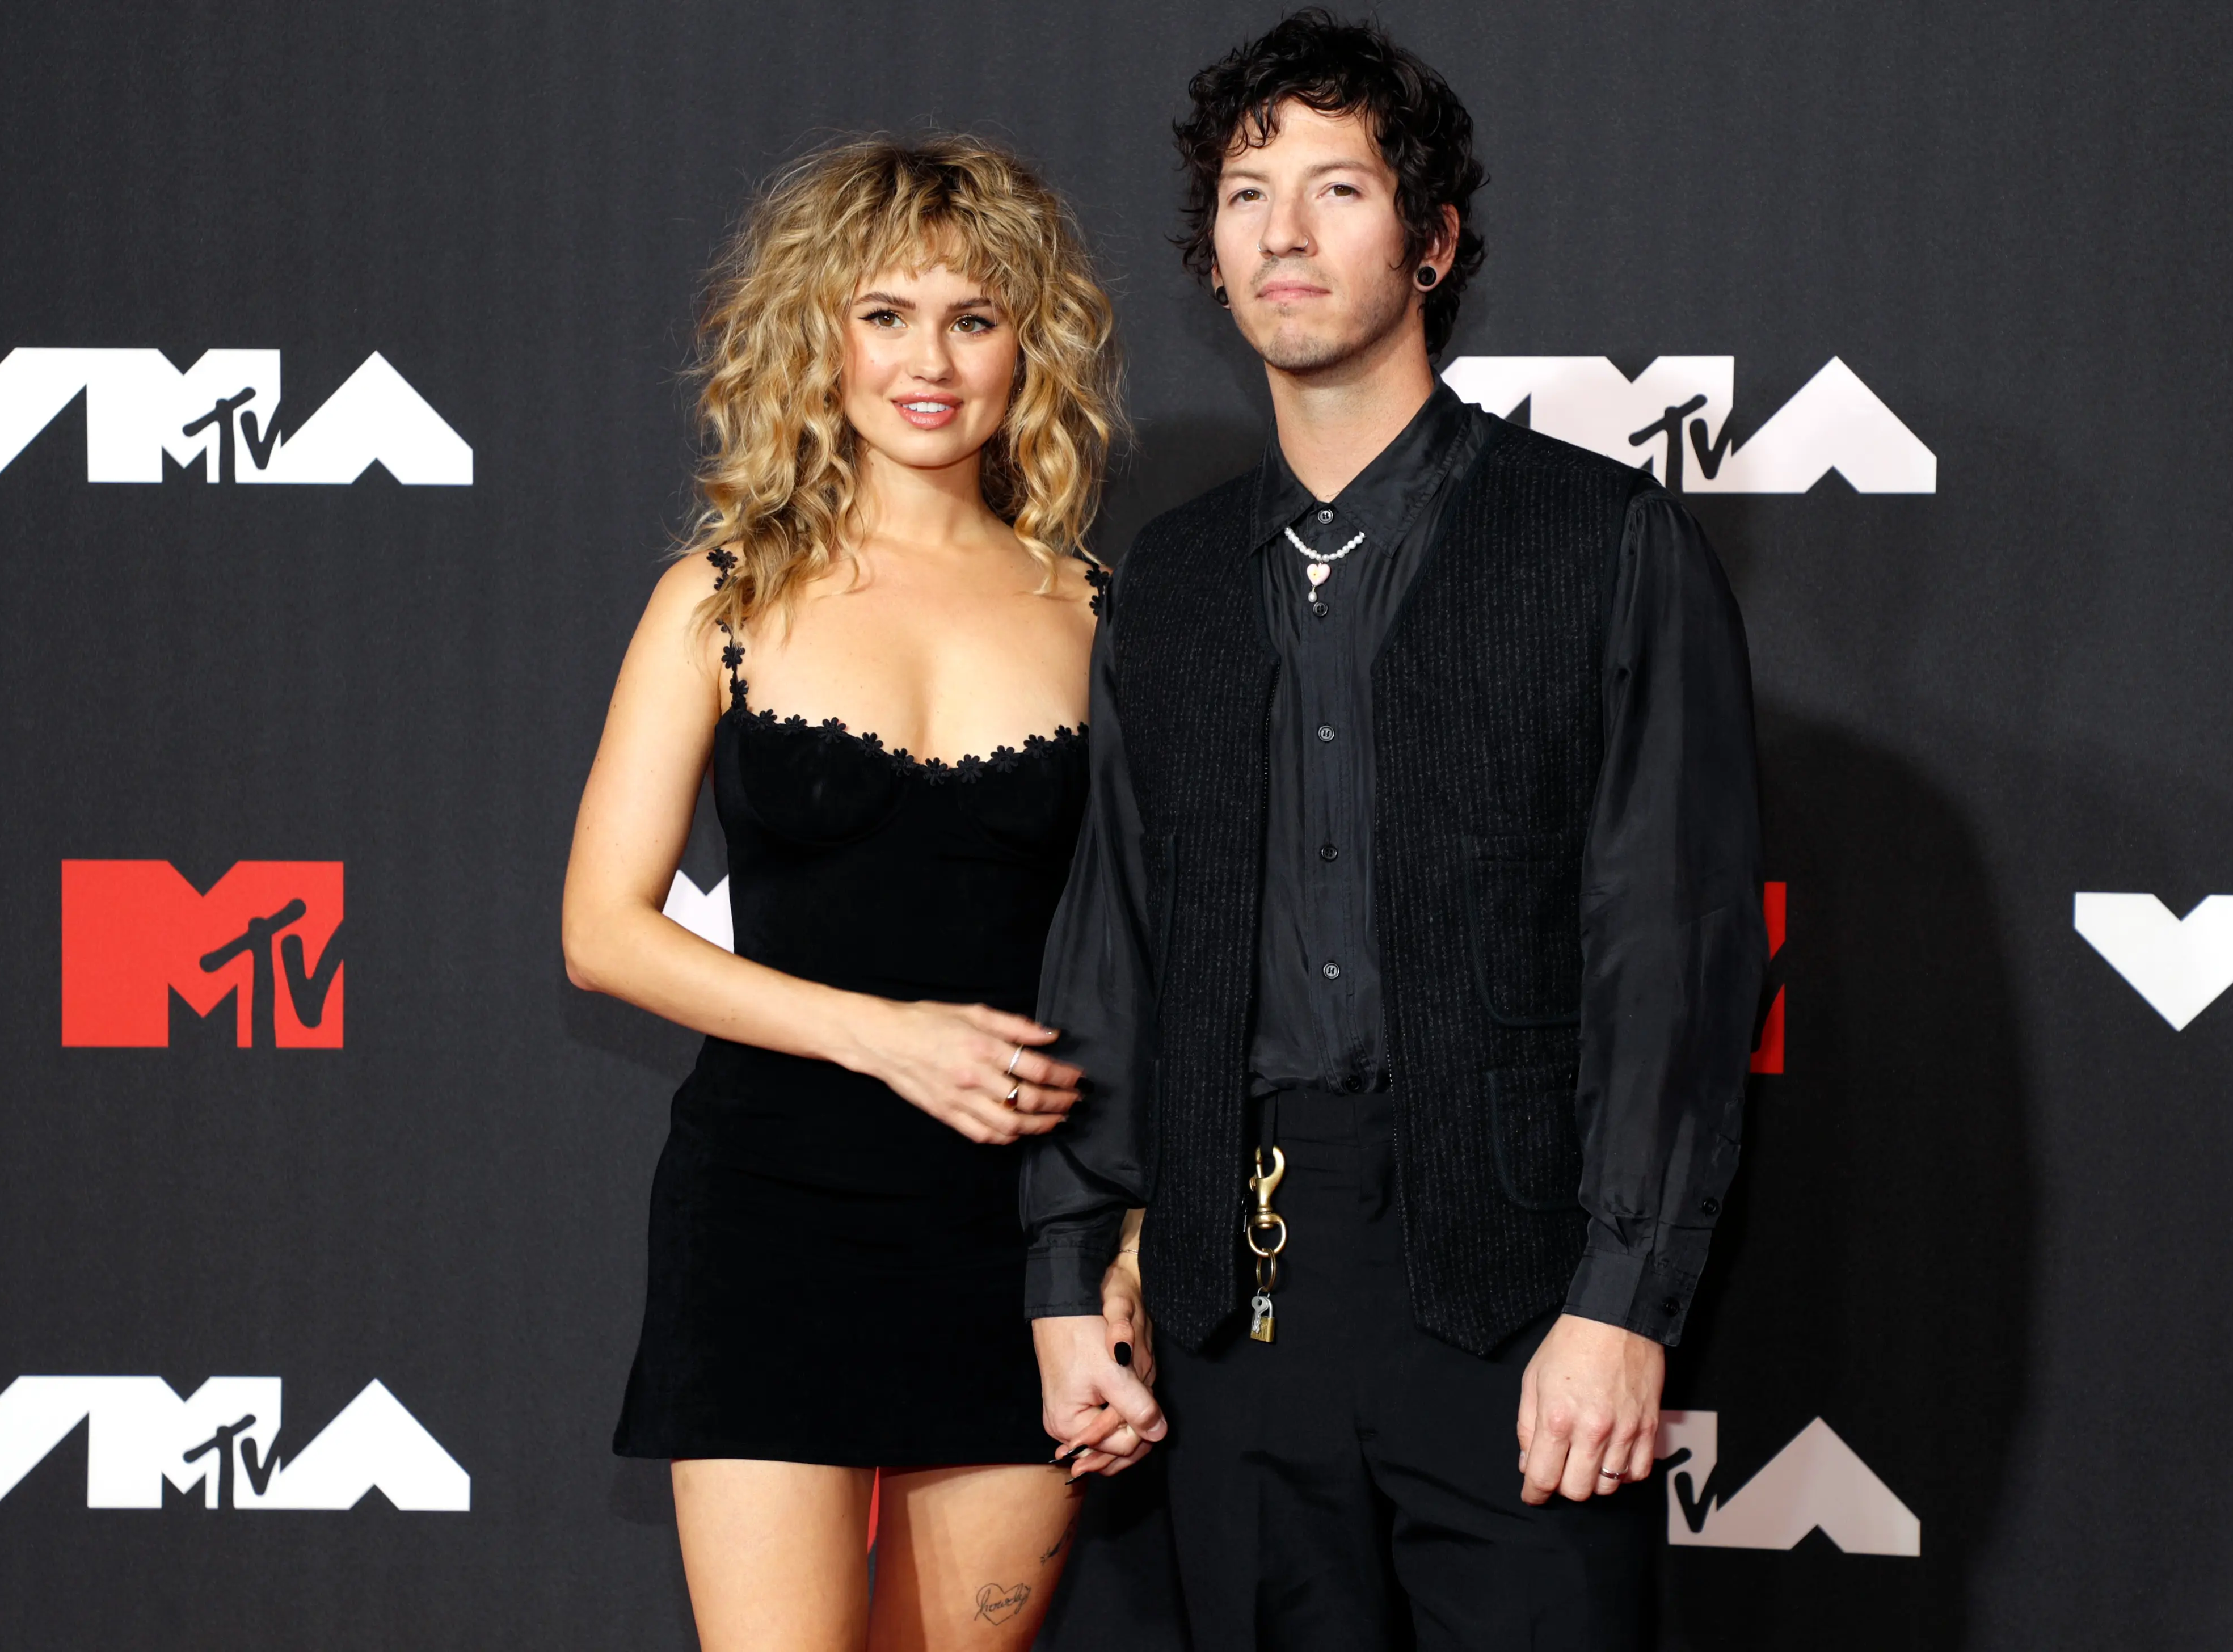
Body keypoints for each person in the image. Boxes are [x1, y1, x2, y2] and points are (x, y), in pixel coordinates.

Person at [1025, 12, 1767, 1649]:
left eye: (1338, 188)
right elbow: (1117, 938)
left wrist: (1622, 1306)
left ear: (1431, 241)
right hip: (1233, 1298)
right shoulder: (1172, 578)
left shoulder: (1601, 540)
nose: (1281, 232)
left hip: (1518, 1287)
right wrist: (1071, 1269)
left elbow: (1674, 950)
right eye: (1246, 194)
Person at [562, 136, 1123, 1651]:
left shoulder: (1100, 617)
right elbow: (603, 932)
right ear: (819, 335)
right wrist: (888, 1037)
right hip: (771, 1217)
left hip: (1024, 1235)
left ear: (1029, 347)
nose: (927, 362)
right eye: (885, 315)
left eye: (972, 317)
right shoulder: (720, 598)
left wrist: (1122, 1251)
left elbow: (1158, 965)